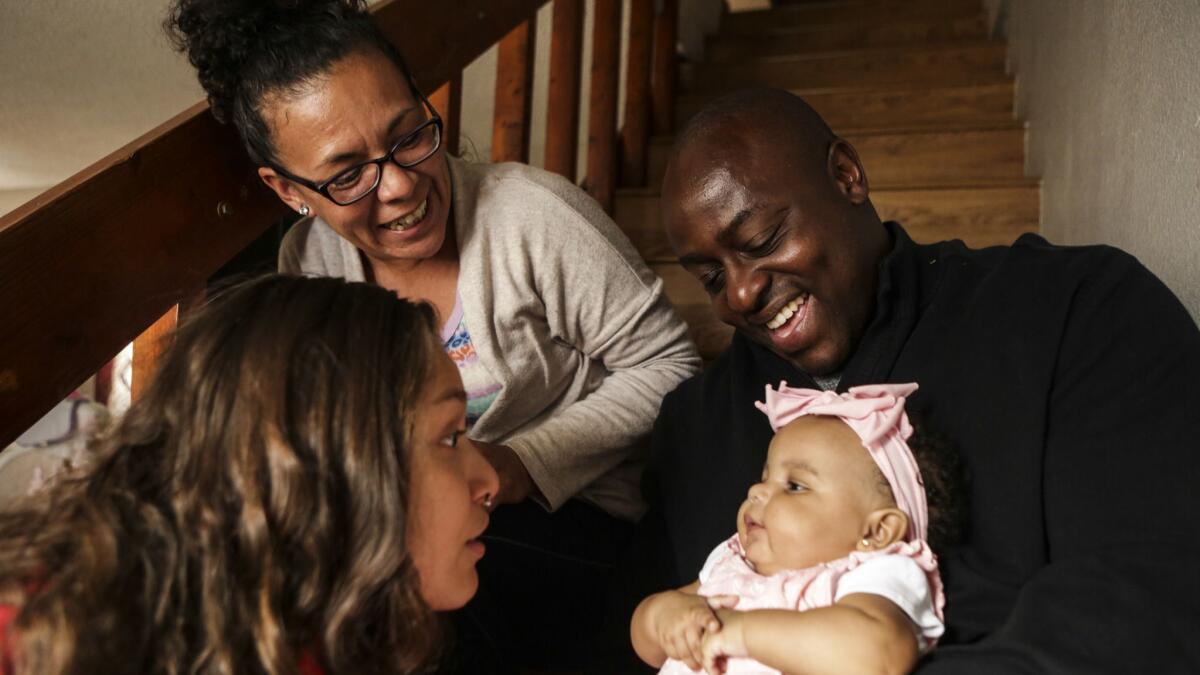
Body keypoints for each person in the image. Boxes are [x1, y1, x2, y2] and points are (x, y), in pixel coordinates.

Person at [165, 0, 699, 669]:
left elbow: (673, 364)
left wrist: (519, 462)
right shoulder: (310, 266)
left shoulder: (532, 219)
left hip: (576, 523)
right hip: (432, 528)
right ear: (286, 188)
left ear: (423, 101)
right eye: (348, 173)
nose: (400, 185)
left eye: (409, 133)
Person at [622, 87, 1200, 672]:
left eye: (763, 240)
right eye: (710, 278)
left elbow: (1145, 596)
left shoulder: (1079, 310)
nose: (741, 294)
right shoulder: (694, 427)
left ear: (847, 175)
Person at [0, 274, 499, 674]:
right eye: (450, 437)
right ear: (318, 470)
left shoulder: (316, 626)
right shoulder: (46, 632)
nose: (490, 481)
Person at [632, 383, 963, 675]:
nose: (756, 492)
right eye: (764, 478)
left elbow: (880, 659)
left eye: (794, 486)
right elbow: (647, 647)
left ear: (876, 533)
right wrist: (663, 615)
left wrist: (742, 632)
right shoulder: (731, 561)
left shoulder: (873, 574)